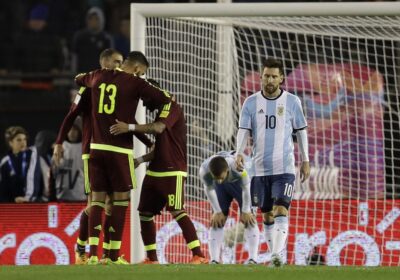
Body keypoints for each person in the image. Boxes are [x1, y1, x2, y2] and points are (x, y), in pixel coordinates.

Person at [53, 49, 155, 265]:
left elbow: (125, 123)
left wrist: (148, 143)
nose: (119, 66)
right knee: (96, 203)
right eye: (116, 62)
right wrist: (59, 142)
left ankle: (108, 255)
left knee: (109, 204)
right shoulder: (89, 87)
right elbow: (71, 115)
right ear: (105, 63)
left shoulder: (111, 84)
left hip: (107, 149)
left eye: (122, 62)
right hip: (92, 149)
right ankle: (83, 248)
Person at [75, 52, 171, 265]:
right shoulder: (135, 82)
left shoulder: (97, 76)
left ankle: (91, 255)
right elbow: (165, 97)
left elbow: (78, 79)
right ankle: (113, 256)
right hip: (119, 151)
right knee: (119, 202)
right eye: (143, 73)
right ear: (137, 69)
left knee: (97, 202)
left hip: (95, 148)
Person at [109, 80, 208, 264]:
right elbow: (160, 147)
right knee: (145, 213)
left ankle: (199, 255)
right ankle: (152, 259)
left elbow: (158, 128)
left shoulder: (172, 106)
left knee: (177, 210)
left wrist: (129, 127)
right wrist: (140, 160)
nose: (144, 104)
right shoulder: (160, 112)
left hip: (173, 171)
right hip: (155, 170)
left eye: (145, 99)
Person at [235, 58, 310, 267]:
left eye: (274, 76)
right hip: (259, 169)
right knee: (267, 215)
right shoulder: (250, 102)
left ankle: (277, 254)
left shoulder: (292, 101)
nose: (269, 80)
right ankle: (275, 255)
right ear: (261, 77)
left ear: (281, 78)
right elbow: (243, 130)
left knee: (281, 209)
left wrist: (306, 160)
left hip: (284, 167)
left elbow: (301, 130)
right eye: (266, 76)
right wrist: (239, 153)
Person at [199, 151, 259, 264]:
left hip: (244, 183)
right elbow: (209, 189)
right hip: (223, 187)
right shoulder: (204, 170)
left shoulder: (238, 167)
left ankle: (253, 259)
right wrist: (217, 211)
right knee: (217, 220)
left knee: (249, 219)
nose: (219, 180)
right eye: (216, 178)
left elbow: (246, 187)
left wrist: (246, 210)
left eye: (221, 177)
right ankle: (214, 260)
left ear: (227, 170)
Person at [0, 126, 38, 203]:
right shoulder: (4, 162)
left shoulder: (32, 156)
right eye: (19, 140)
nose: (23, 142)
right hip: (13, 206)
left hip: (33, 203)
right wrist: (13, 200)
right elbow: (2, 189)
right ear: (10, 143)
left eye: (24, 139)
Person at [71, 7, 113, 73]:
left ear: (101, 20)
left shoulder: (106, 38)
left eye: (96, 19)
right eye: (91, 19)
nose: (93, 22)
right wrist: (74, 73)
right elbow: (75, 56)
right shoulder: (80, 36)